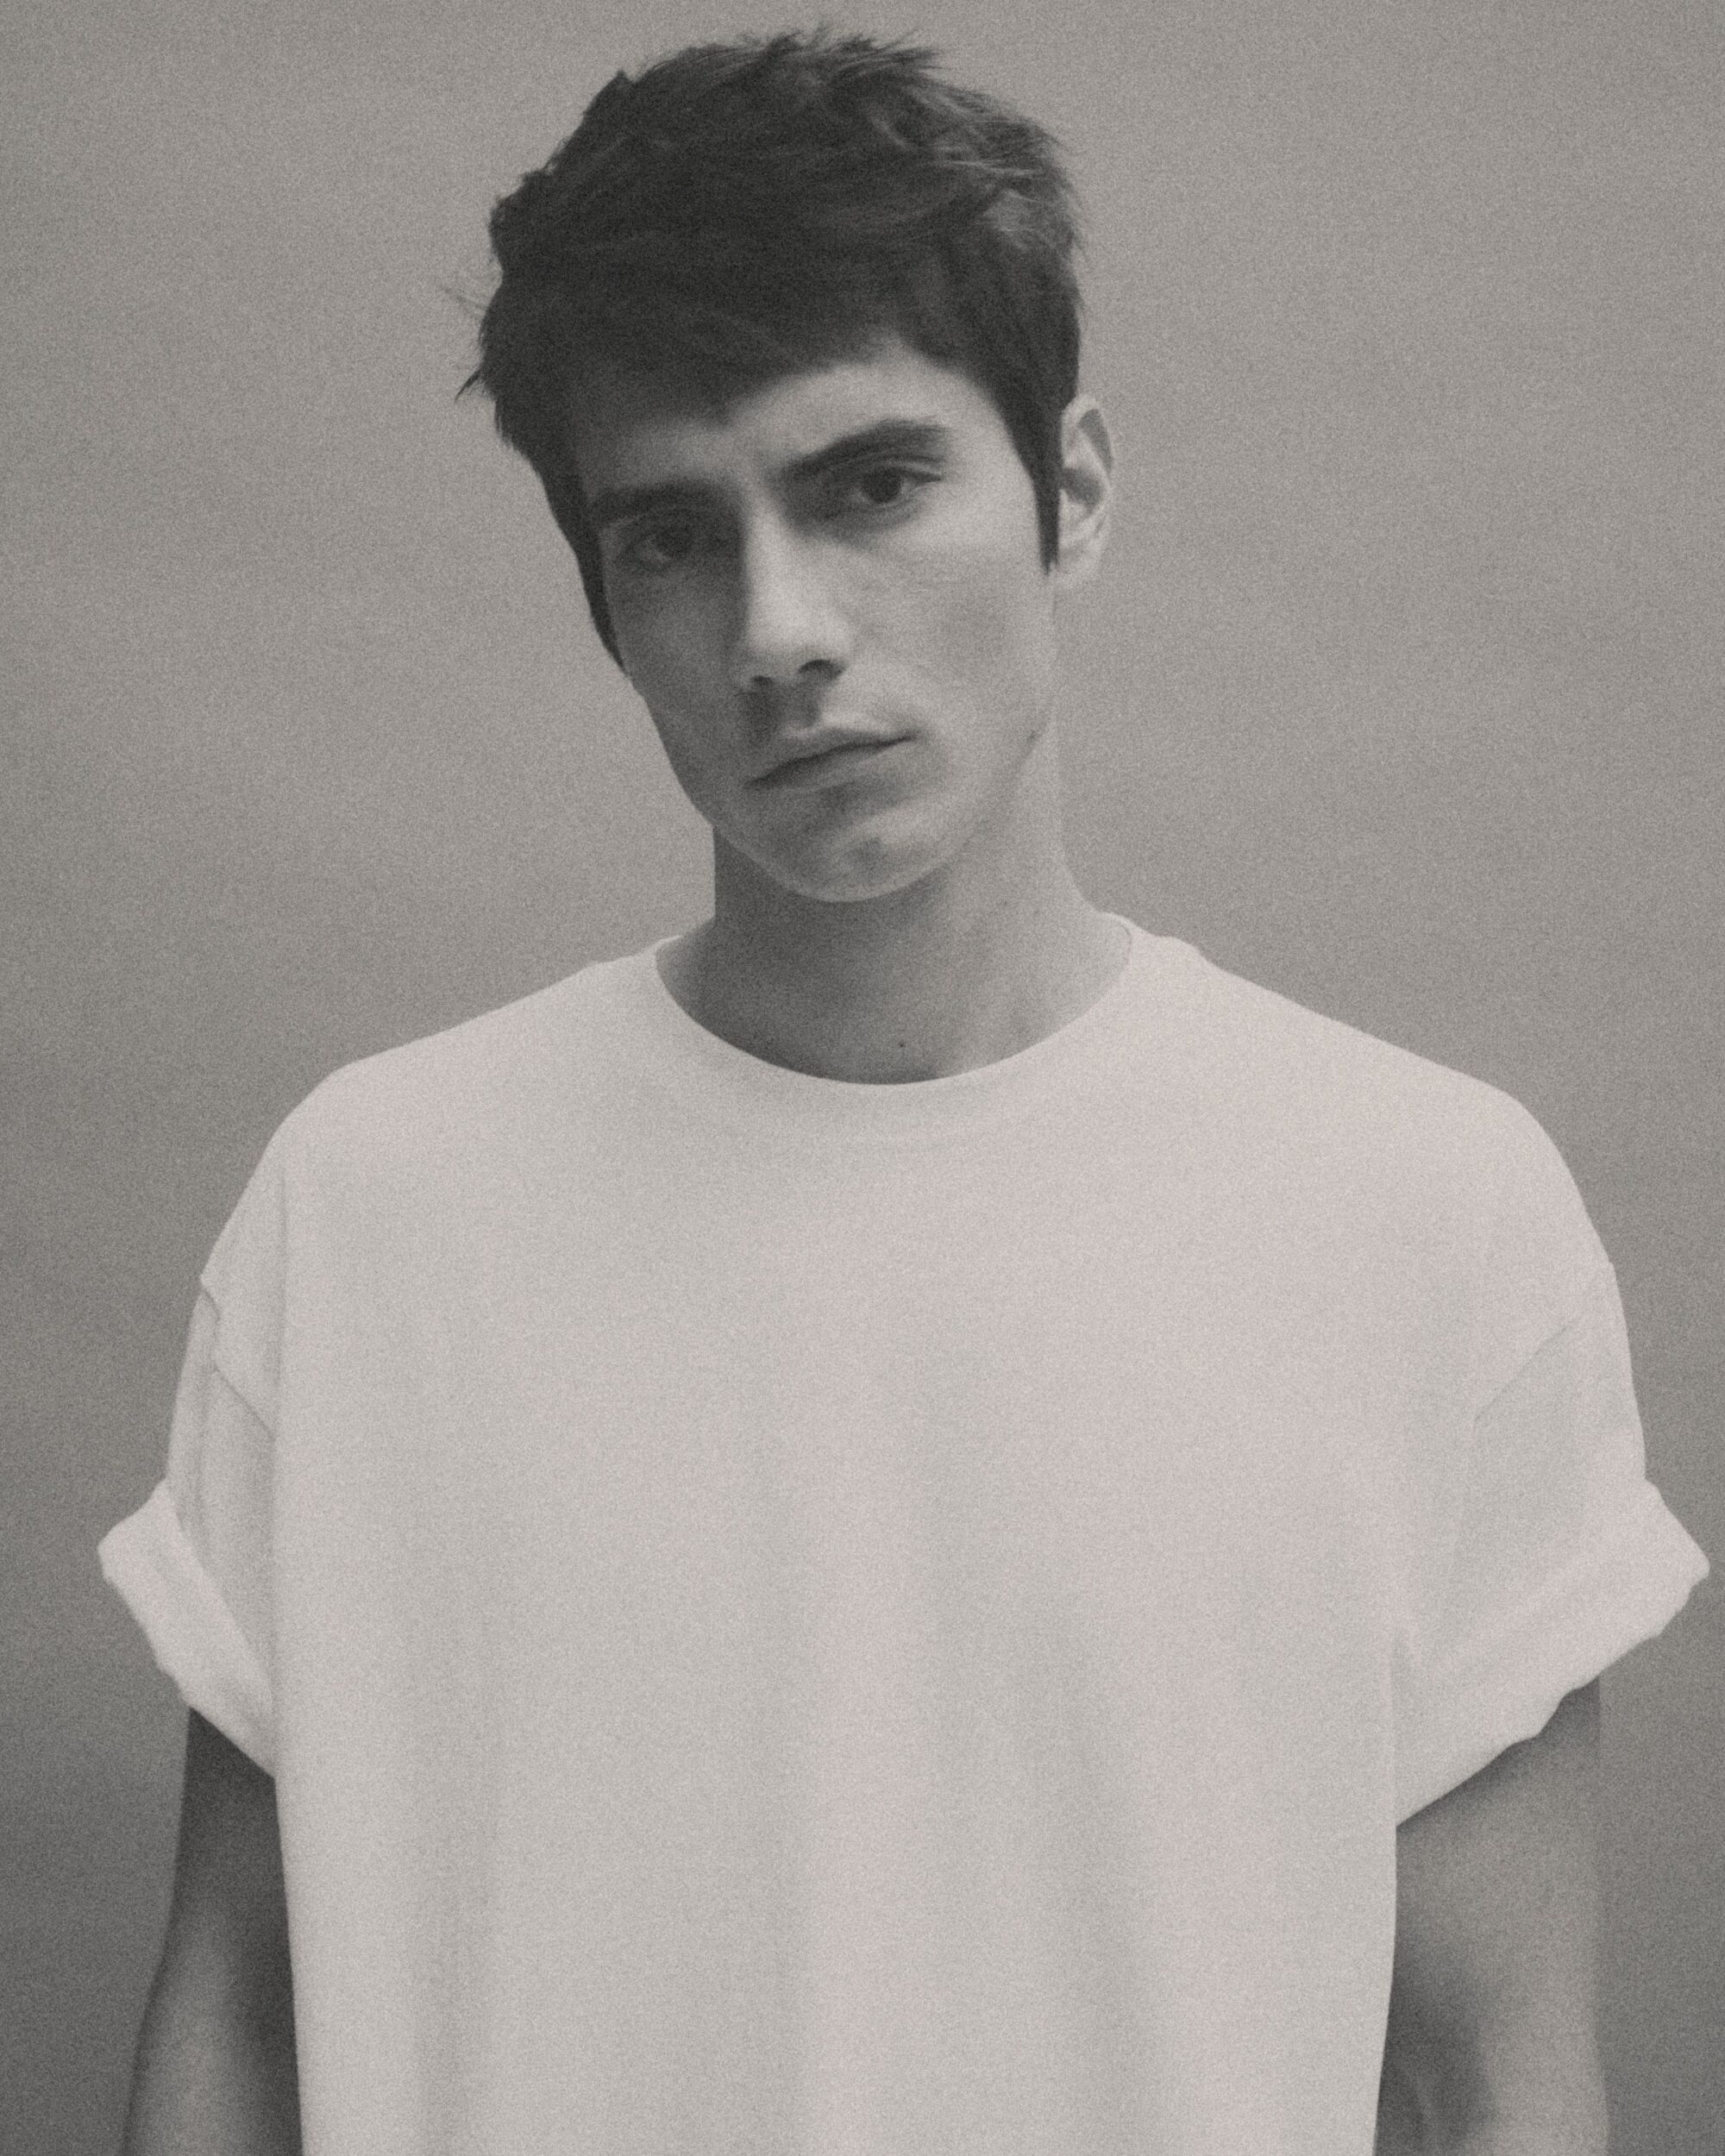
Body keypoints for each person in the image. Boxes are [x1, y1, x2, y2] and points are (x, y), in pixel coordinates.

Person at [99, 28, 1708, 2155]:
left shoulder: (1424, 1212)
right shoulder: (371, 1205)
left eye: (869, 485)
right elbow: (237, 2014)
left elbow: (1498, 2070)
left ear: (1071, 491)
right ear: (604, 609)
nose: (778, 628)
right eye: (672, 537)